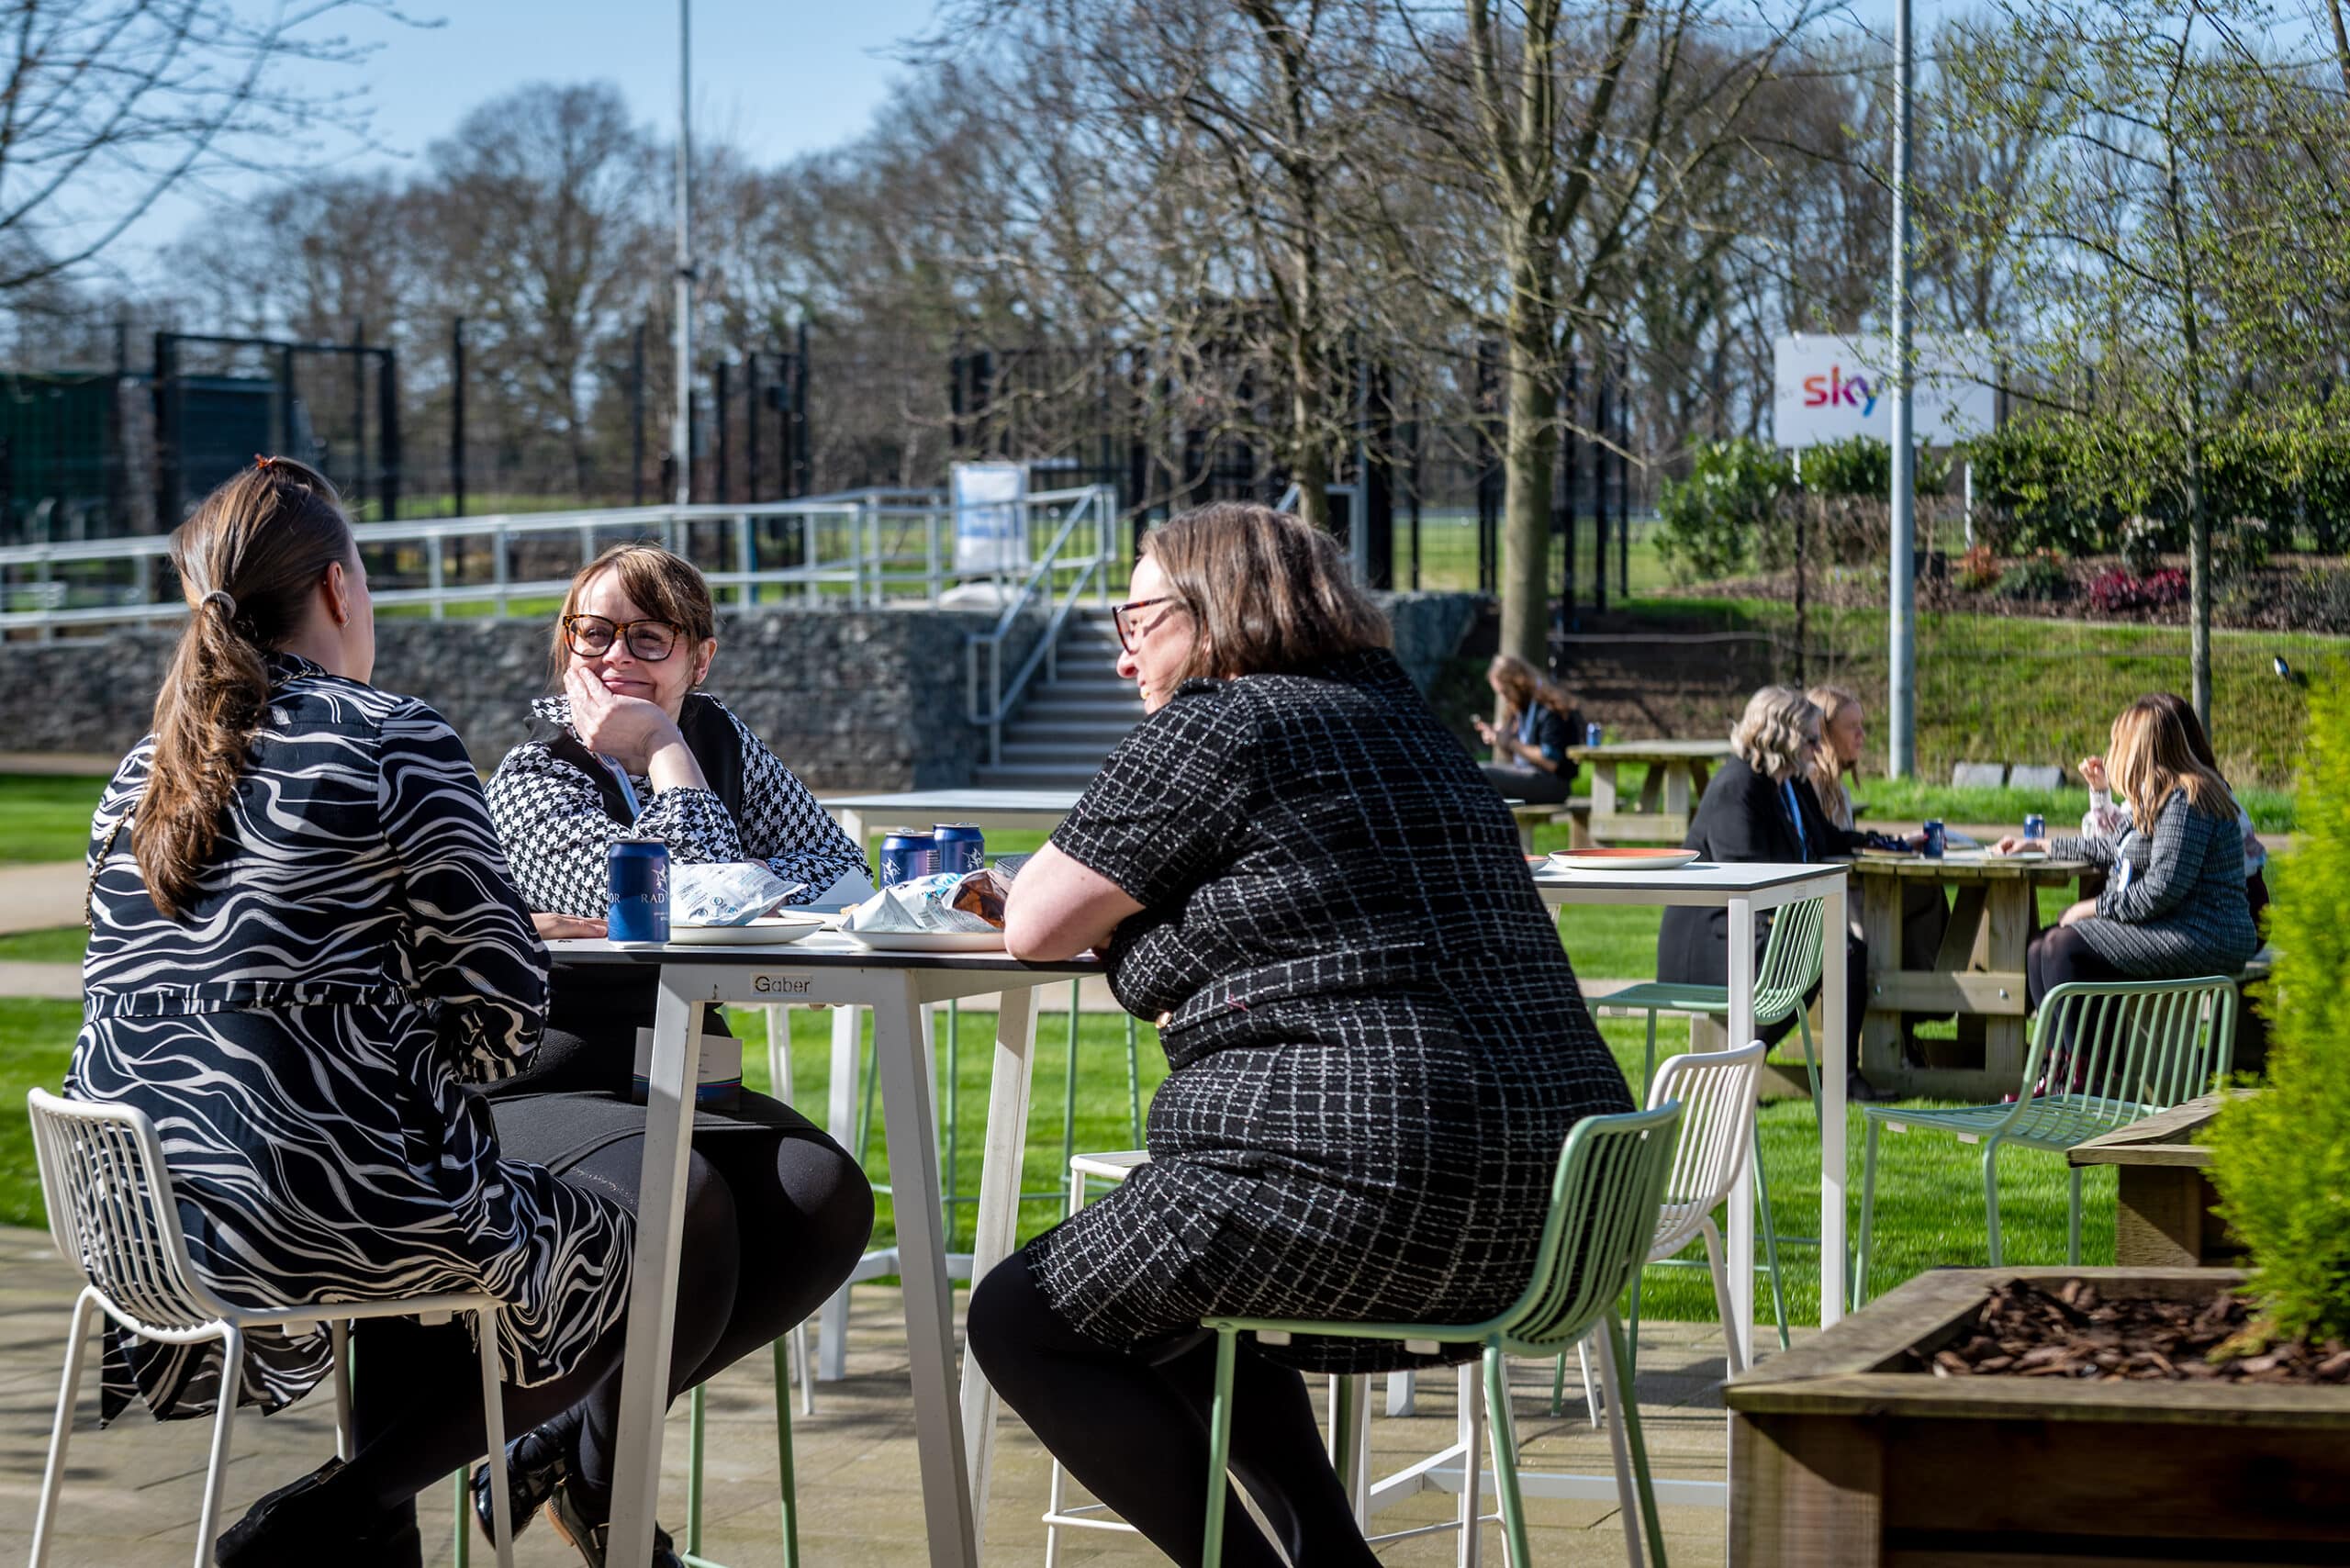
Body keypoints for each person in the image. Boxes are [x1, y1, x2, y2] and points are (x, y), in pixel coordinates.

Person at [968, 503, 1632, 1568]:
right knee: (1171, 1278)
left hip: (1375, 1189)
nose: (1122, 645)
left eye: (1136, 615)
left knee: (1020, 1317)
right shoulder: (1410, 720)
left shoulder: (1218, 723)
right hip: (1556, 1202)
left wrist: (1130, 944)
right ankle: (1331, 1554)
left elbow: (1039, 922)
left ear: (1213, 612)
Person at [67, 459, 643, 1567]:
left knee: (445, 1220)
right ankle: (330, 1509)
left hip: (154, 1227)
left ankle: (353, 1512)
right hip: (331, 1212)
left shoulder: (141, 773)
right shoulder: (393, 739)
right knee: (658, 1232)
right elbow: (503, 1030)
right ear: (338, 589)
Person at [476, 543, 875, 1560]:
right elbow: (687, 904)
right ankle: (606, 1500)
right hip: (563, 1076)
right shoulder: (533, 776)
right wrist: (663, 751)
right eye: (592, 632)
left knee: (823, 1193)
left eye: (645, 638)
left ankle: (570, 1453)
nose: (613, 656)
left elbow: (839, 874)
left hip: (693, 1074)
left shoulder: (724, 740)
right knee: (684, 1196)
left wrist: (680, 756)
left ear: (700, 655)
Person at [1658, 685, 1899, 1101]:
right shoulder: (1739, 786)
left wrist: (1890, 843)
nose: (1816, 746)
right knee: (1827, 953)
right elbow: (1746, 877)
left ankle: (1830, 1077)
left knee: (1842, 952)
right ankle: (1738, 1072)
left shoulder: (1787, 783)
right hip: (1712, 939)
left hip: (1750, 927)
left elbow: (1824, 839)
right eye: (1810, 738)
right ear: (1781, 736)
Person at [2001, 697, 2257, 1010]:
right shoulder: (2157, 794)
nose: (2111, 752)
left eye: (2116, 742)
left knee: (2062, 947)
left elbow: (2160, 891)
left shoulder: (2187, 799)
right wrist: (2043, 845)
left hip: (2204, 934)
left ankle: (2083, 1057)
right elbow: (2115, 847)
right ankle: (2062, 1057)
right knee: (2039, 946)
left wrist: (2091, 908)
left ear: (2137, 748)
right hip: (2175, 925)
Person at [1806, 683, 1952, 1001]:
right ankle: (1919, 999)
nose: (1862, 735)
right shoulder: (1811, 784)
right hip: (1835, 904)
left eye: (1862, 726)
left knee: (1928, 891)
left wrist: (1896, 843)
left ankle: (1924, 997)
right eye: (1852, 727)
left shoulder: (1838, 788)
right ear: (1825, 733)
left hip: (1854, 891)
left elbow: (1846, 842)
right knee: (1925, 894)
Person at [2073, 690, 2268, 926]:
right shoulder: (2200, 786)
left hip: (2231, 919)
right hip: (2234, 915)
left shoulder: (2190, 796)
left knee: (2081, 924)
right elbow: (2119, 840)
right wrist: (2101, 790)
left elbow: (2121, 845)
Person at [1472, 652, 1582, 805]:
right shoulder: (1521, 709)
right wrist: (1500, 741)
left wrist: (1510, 742)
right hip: (1531, 776)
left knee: (1483, 773)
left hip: (1555, 784)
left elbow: (1550, 762)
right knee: (1473, 771)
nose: (1504, 699)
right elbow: (1520, 759)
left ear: (1518, 683)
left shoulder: (1548, 708)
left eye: (1505, 692)